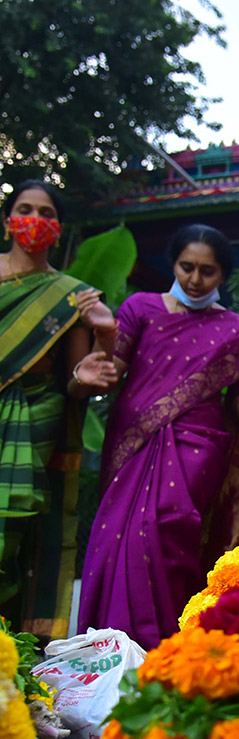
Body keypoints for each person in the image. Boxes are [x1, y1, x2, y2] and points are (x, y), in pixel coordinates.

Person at [78, 224, 239, 649]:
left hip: (197, 446)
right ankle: (109, 652)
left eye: (207, 271)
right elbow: (111, 373)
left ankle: (167, 648)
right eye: (186, 267)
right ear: (173, 264)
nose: (195, 279)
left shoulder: (237, 332)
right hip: (131, 443)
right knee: (113, 538)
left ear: (222, 276)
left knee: (164, 534)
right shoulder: (141, 307)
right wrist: (102, 334)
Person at [0, 180, 117, 637]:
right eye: (24, 209)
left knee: (14, 537)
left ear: (58, 227)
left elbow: (76, 381)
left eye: (46, 213)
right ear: (8, 220)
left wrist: (103, 339)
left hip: (37, 422)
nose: (34, 220)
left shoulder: (72, 296)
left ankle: (14, 649)